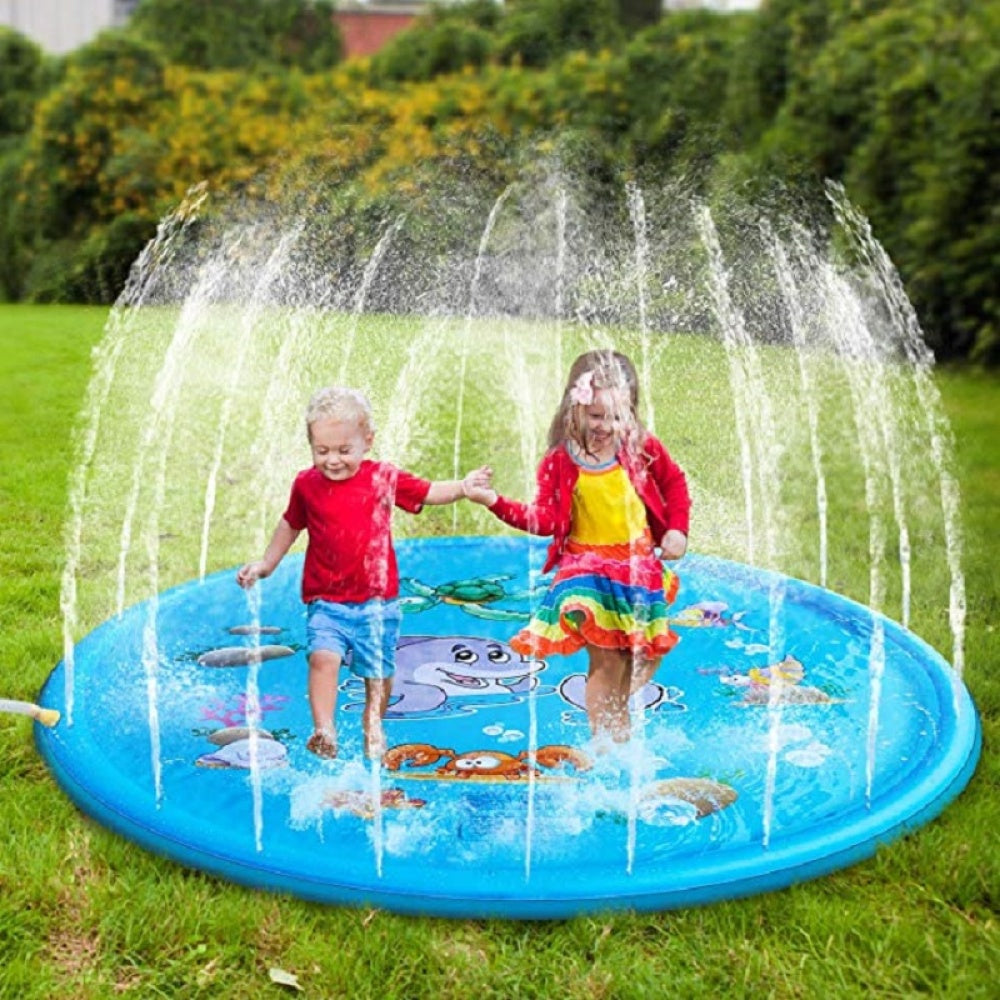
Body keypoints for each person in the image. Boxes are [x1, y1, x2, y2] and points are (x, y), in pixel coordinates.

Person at [237, 386, 487, 761]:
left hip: (377, 604)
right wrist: (266, 564)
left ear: (366, 442)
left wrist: (463, 489)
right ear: (310, 445)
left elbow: (428, 491)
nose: (332, 460)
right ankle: (324, 729)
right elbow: (290, 524)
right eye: (322, 451)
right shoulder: (307, 484)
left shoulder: (382, 477)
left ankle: (374, 723)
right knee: (322, 659)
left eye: (343, 450)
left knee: (378, 673)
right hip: (327, 601)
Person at [465, 350, 690, 745]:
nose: (606, 426)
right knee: (606, 661)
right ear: (576, 409)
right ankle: (607, 745)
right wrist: (494, 502)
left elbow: (674, 484)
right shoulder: (560, 461)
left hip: (637, 567)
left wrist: (677, 530)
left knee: (644, 654)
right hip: (588, 572)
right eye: (596, 416)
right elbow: (546, 521)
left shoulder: (641, 446)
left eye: (617, 416)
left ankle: (614, 719)